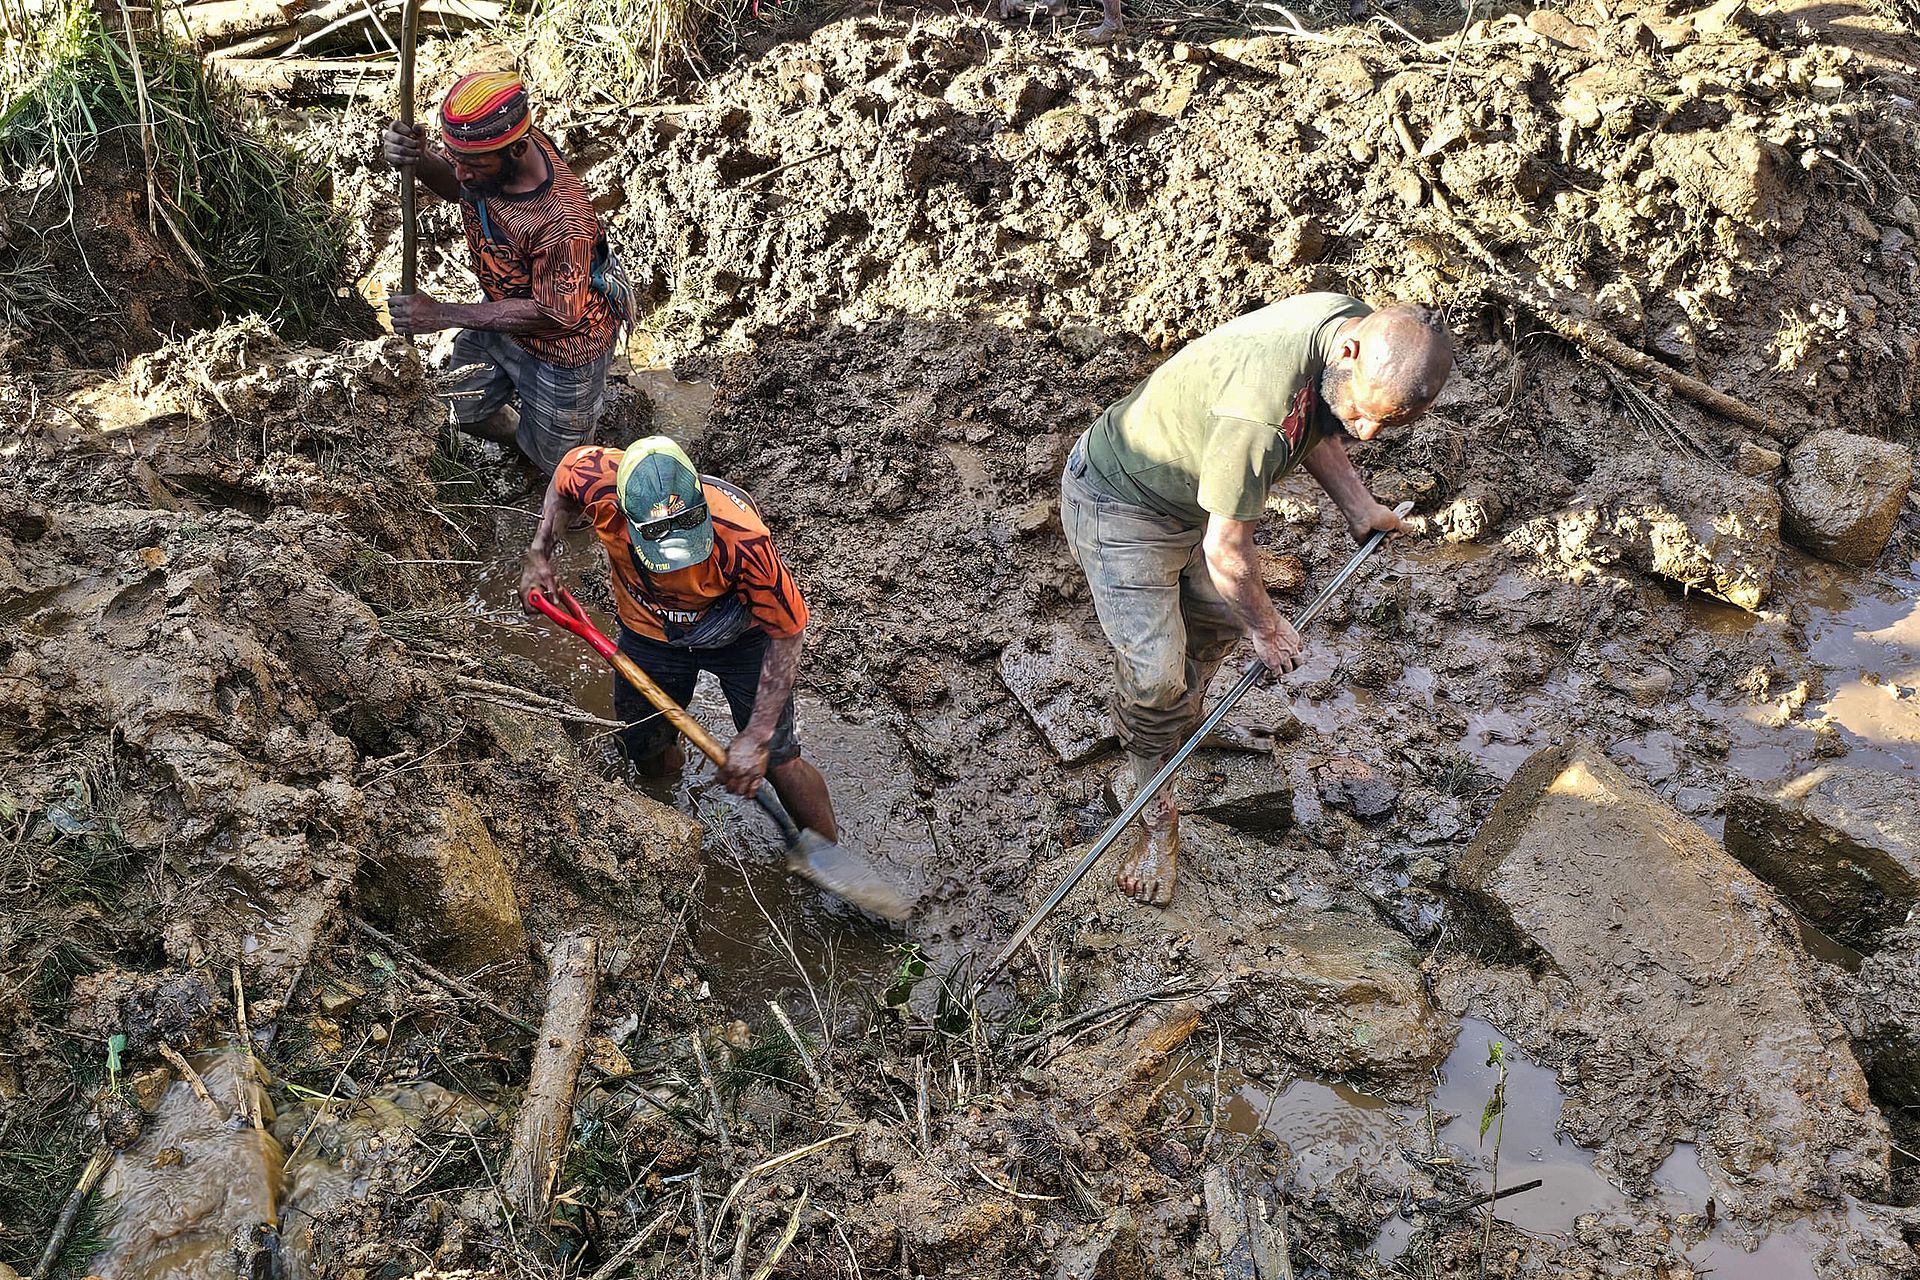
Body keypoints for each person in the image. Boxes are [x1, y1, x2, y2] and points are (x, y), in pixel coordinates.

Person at [1060, 293, 1453, 907]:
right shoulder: (1261, 413)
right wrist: (1268, 630)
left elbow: (1315, 421)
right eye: (1364, 412)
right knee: (1157, 673)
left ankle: (1161, 738)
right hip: (1121, 502)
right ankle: (1150, 805)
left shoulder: (1343, 336)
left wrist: (1358, 505)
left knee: (1218, 618)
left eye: (1388, 423)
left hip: (1193, 496)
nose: (1368, 431)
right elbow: (1228, 552)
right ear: (1351, 350)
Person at [521, 436, 838, 840]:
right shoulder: (593, 477)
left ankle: (828, 854)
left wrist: (756, 737)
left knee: (777, 759)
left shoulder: (742, 538)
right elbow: (562, 483)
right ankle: (666, 814)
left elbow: (788, 633)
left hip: (740, 637)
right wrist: (539, 554)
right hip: (649, 631)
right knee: (645, 744)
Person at [379, 70, 631, 473]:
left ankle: (557, 482)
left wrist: (442, 314)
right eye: (453, 158)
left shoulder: (561, 222)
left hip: (564, 348)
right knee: (461, 404)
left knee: (565, 470)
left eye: (471, 165)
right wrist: (419, 159)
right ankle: (525, 440)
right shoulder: (497, 160)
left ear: (516, 151)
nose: (460, 174)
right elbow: (458, 186)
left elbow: (555, 312)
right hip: (503, 313)